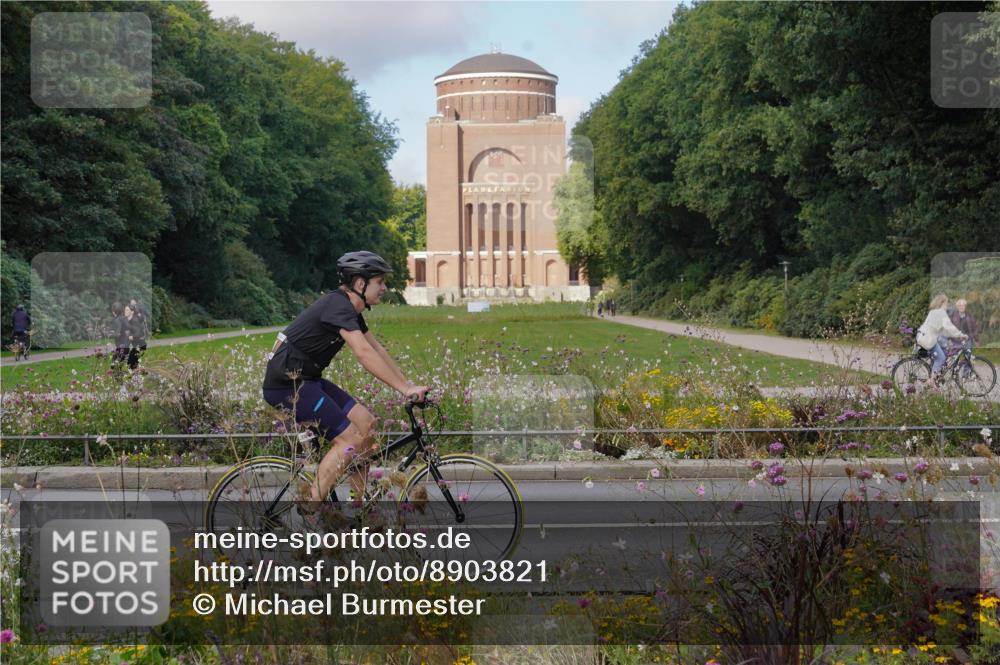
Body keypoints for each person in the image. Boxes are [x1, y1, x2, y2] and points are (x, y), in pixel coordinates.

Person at [261, 250, 429, 506]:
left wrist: (408, 386)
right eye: (380, 282)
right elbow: (362, 353)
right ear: (361, 283)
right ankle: (311, 511)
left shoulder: (350, 310)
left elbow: (376, 350)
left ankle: (357, 507)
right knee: (349, 440)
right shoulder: (337, 305)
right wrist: (404, 389)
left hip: (308, 380)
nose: (384, 287)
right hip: (286, 385)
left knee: (366, 423)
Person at [916, 293, 967, 388]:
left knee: (944, 350)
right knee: (941, 358)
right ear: (942, 303)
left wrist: (952, 337)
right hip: (928, 339)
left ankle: (936, 375)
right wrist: (961, 335)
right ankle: (931, 380)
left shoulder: (934, 311)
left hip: (923, 335)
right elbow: (949, 327)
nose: (947, 305)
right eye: (946, 303)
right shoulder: (940, 313)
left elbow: (943, 330)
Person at [124, 304, 146, 369]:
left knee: (132, 364)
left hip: (139, 345)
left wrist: (132, 336)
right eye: (125, 310)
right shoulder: (126, 320)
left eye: (127, 310)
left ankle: (136, 374)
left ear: (132, 312)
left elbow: (139, 333)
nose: (125, 311)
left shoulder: (135, 320)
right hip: (132, 344)